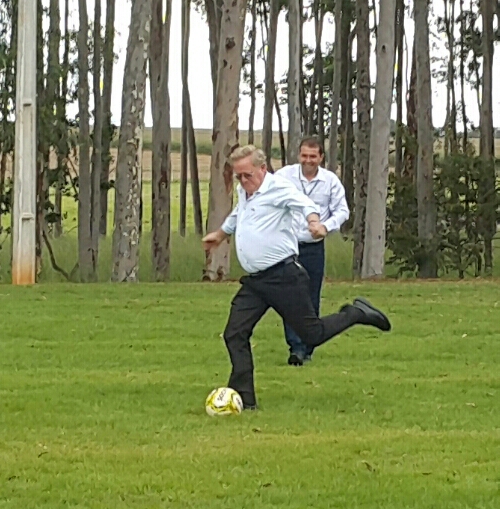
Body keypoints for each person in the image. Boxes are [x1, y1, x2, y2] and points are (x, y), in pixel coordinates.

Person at [202, 145, 391, 410]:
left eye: (247, 175)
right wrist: (221, 235)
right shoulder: (245, 191)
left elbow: (305, 205)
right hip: (255, 282)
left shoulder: (278, 188)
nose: (243, 181)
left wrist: (314, 223)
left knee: (311, 335)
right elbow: (238, 215)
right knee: (234, 334)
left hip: (284, 276)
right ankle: (245, 399)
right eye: (239, 176)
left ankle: (355, 313)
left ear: (262, 169)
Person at [276, 137, 349, 366]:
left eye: (313, 156)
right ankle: (296, 347)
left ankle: (308, 345)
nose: (308, 160)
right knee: (289, 297)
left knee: (310, 296)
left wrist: (325, 227)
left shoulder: (330, 181)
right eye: (304, 155)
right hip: (287, 246)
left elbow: (342, 210)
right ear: (299, 155)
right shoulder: (284, 177)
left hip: (313, 247)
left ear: (321, 158)